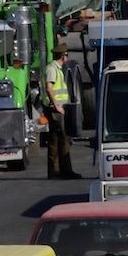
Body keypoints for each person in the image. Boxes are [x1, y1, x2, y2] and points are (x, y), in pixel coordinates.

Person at [43, 43, 80, 179]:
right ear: (63, 56)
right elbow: (49, 88)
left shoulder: (57, 69)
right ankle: (64, 171)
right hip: (55, 109)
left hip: (58, 108)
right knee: (63, 139)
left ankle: (56, 171)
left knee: (56, 139)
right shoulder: (52, 69)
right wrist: (57, 106)